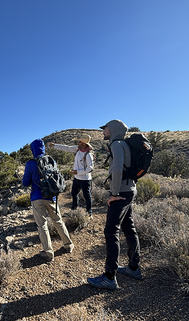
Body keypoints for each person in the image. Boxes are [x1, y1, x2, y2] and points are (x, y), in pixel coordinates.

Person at [87, 120, 142, 290]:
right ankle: (134, 268)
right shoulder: (124, 144)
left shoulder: (117, 144)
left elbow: (117, 170)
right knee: (129, 228)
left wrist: (114, 194)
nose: (103, 131)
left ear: (114, 129)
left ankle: (109, 277)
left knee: (111, 231)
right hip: (130, 190)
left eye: (106, 128)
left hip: (121, 194)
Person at [22, 139, 74, 262]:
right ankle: (68, 244)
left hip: (37, 197)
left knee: (42, 225)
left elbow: (25, 182)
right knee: (58, 221)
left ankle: (48, 252)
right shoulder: (51, 160)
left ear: (33, 149)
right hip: (52, 196)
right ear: (43, 149)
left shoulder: (30, 163)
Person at [47, 134, 94, 216]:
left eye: (79, 141)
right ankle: (74, 211)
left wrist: (78, 172)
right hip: (77, 178)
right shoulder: (77, 149)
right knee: (74, 194)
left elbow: (90, 168)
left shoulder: (88, 154)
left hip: (85, 179)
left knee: (87, 196)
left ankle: (89, 213)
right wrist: (54, 145)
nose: (78, 143)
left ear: (84, 143)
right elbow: (67, 148)